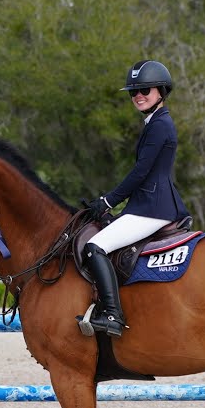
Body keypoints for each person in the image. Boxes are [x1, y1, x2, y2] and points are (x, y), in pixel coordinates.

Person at [82, 59, 190, 337]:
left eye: (145, 90)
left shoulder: (160, 125)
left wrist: (108, 201)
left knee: (94, 247)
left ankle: (113, 315)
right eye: (134, 92)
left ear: (161, 91)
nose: (138, 96)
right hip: (148, 205)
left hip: (151, 209)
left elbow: (141, 172)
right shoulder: (154, 122)